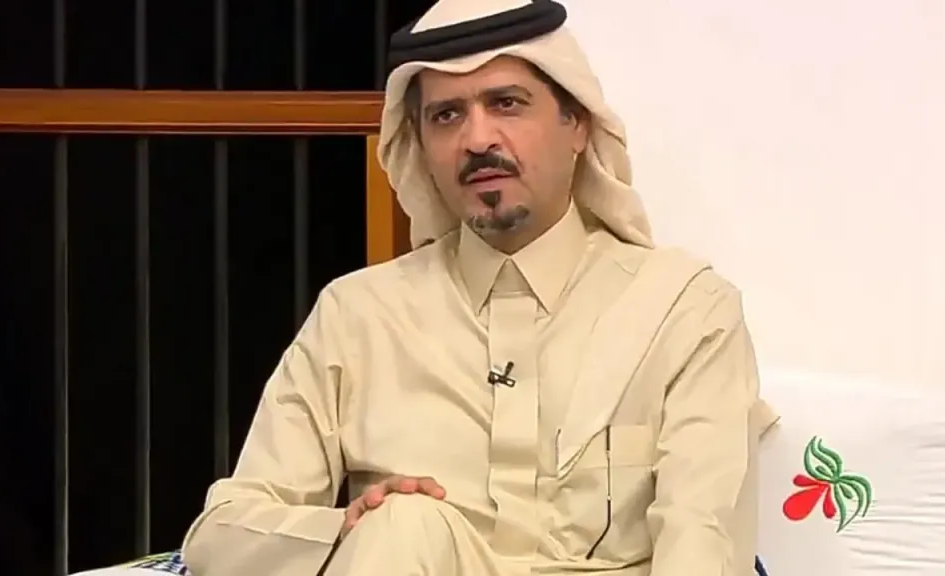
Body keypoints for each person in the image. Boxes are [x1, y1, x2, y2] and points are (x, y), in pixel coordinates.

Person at [181, 0, 779, 574]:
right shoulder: (356, 315)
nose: (477, 140)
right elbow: (220, 537)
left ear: (576, 124)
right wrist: (346, 533)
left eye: (506, 103)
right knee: (405, 523)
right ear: (421, 148)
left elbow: (703, 546)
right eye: (447, 116)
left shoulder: (684, 310)